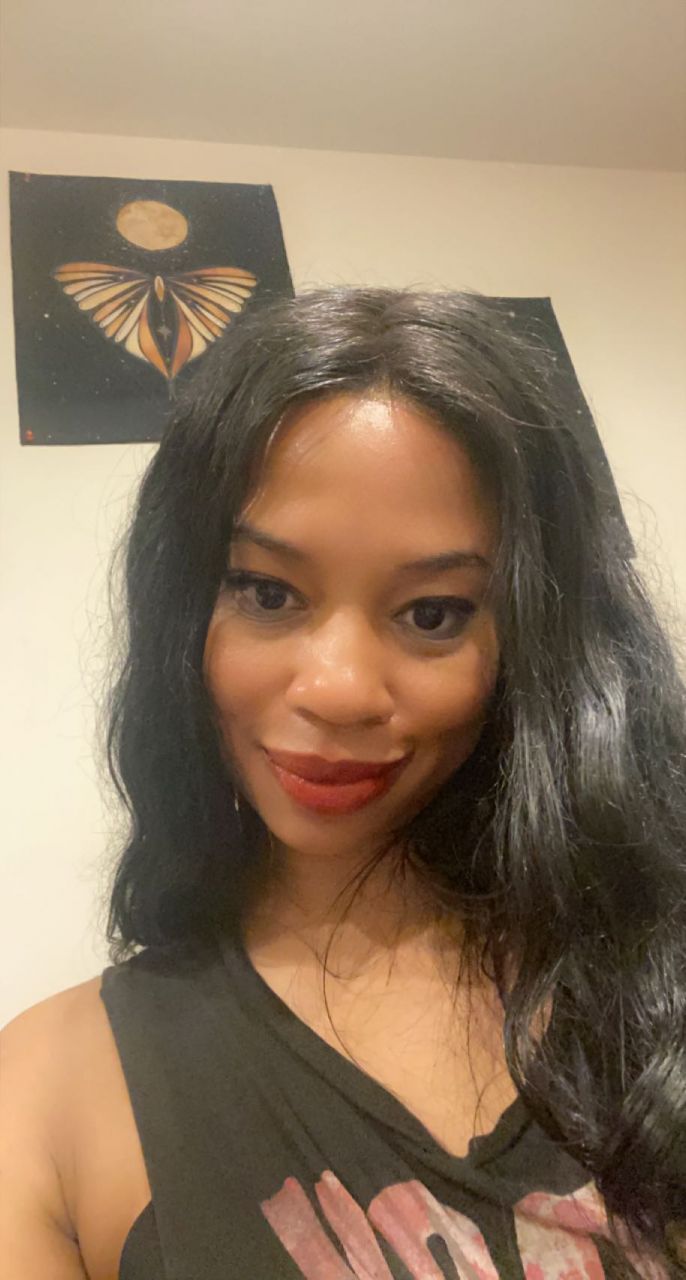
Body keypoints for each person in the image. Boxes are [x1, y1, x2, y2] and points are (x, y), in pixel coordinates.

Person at [2, 288, 685, 1280]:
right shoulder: (46, 1090)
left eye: (432, 612)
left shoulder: (653, 982)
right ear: (183, 610)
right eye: (267, 592)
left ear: (531, 642)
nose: (339, 689)